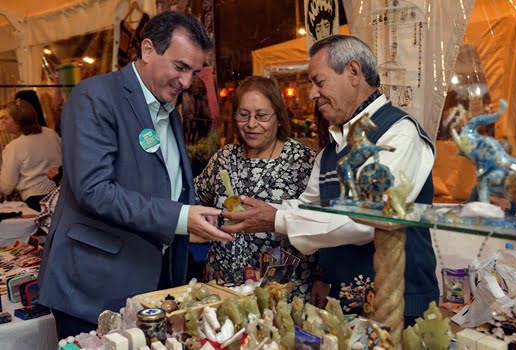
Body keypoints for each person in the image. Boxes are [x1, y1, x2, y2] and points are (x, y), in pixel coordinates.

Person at [37, 11, 232, 339]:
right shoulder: (94, 98)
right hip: (94, 288)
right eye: (180, 67)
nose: (186, 82)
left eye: (193, 72)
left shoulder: (168, 109)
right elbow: (94, 190)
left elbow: (158, 182)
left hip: (150, 285)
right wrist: (181, 217)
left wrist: (195, 219)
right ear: (147, 50)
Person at [223, 35, 439, 325]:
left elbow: (369, 220)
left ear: (353, 72)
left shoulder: (399, 134)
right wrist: (266, 212)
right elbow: (309, 207)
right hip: (345, 303)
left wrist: (277, 219)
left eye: (319, 82)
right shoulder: (330, 152)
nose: (312, 93)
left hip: (398, 304)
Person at [195, 76, 317, 299]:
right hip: (224, 287)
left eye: (261, 116)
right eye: (243, 115)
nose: (251, 124)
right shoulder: (225, 158)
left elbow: (320, 223)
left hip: (280, 292)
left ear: (279, 118)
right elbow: (195, 198)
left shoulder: (303, 161)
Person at [0, 100, 61, 211]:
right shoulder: (50, 133)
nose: (2, 121)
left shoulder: (14, 147)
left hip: (36, 201)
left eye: (6, 118)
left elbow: (6, 187)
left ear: (19, 121)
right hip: (61, 194)